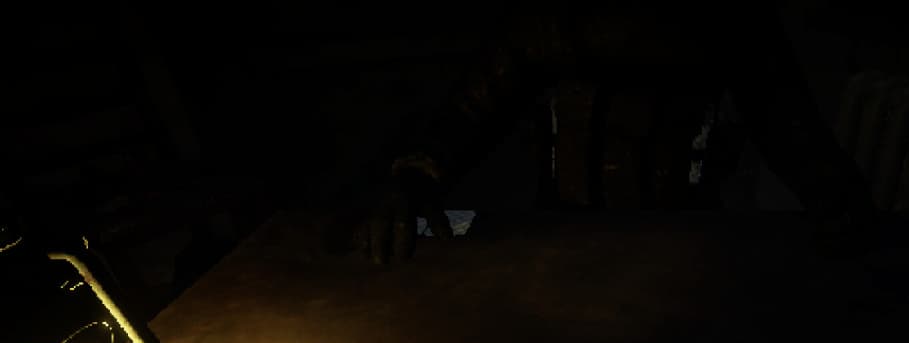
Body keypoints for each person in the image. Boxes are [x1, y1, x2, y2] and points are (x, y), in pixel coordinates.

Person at [347, 2, 877, 263]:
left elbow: (791, 127)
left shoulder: (728, 13)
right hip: (562, 241)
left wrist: (846, 205)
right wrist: (412, 179)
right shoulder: (552, 12)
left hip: (687, 246)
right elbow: (471, 108)